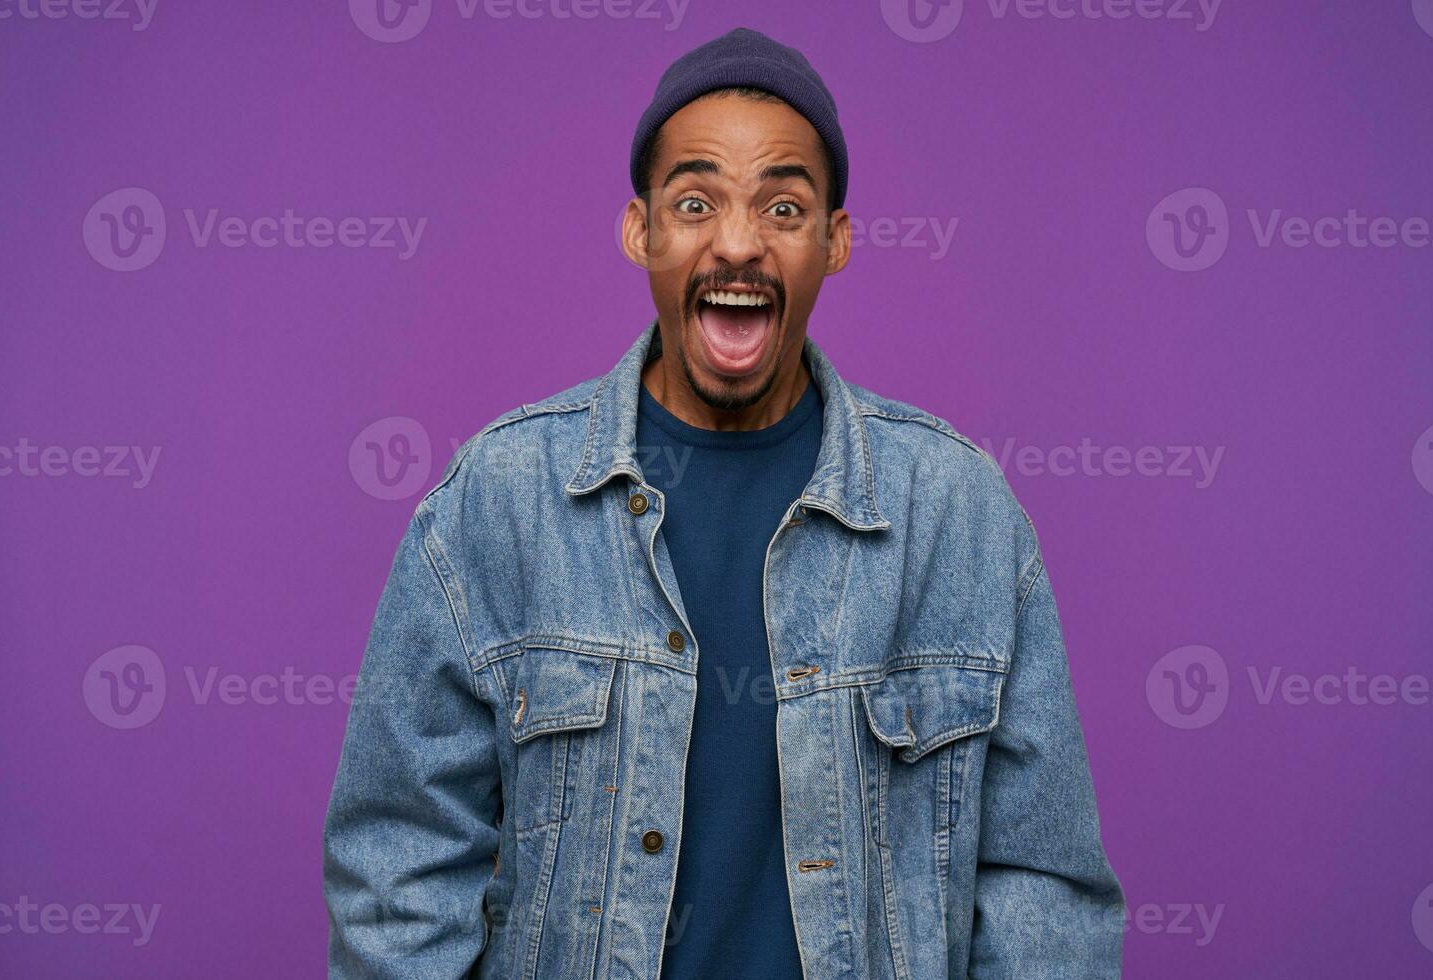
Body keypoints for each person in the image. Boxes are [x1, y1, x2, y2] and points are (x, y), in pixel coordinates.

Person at [324, 26, 1125, 979]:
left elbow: (1044, 894)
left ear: (835, 241)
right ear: (641, 231)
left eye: (784, 207)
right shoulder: (494, 504)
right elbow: (400, 874)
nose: (738, 243)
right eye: (696, 201)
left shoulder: (956, 514)